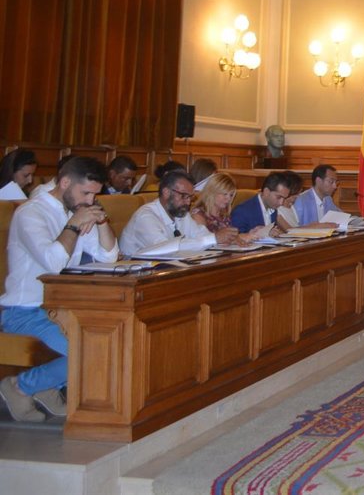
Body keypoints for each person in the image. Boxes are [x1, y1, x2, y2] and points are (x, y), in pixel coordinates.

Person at [0, 157, 116, 422]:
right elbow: (53, 264)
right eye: (85, 193)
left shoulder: (74, 209)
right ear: (65, 183)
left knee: (107, 341)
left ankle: (45, 386)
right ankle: (20, 386)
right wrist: (74, 224)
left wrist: (102, 222)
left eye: (95, 195)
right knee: (88, 351)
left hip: (61, 307)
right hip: (25, 310)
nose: (90, 200)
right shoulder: (31, 213)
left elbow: (109, 257)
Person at [119, 170, 238, 256]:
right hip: (132, 273)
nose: (188, 202)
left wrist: (225, 238)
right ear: (166, 192)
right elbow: (165, 248)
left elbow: (200, 234)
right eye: (184, 196)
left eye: (190, 197)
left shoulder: (181, 214)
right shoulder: (145, 216)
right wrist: (214, 238)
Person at [189, 172, 239, 237]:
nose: (229, 198)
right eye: (225, 194)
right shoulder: (198, 215)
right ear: (212, 192)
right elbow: (201, 240)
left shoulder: (224, 214)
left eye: (231, 195)